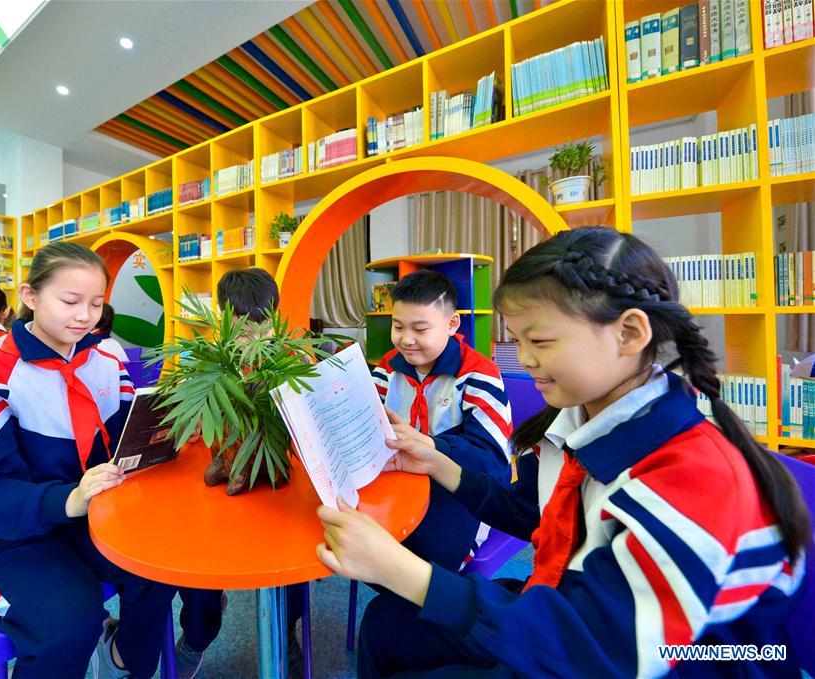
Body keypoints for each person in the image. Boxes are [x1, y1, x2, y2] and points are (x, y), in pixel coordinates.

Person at [316, 226, 811, 678]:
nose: (524, 359)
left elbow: (601, 651)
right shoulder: (576, 420)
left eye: (541, 341)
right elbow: (531, 511)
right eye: (518, 340)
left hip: (659, 659)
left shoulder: (692, 475)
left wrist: (399, 569)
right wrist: (440, 465)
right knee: (386, 624)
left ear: (630, 333)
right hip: (571, 603)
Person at [0, 242, 175, 679]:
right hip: (4, 538)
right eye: (70, 301)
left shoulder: (107, 360)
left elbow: (122, 445)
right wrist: (69, 499)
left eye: (96, 303)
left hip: (86, 517)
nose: (85, 315)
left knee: (159, 569)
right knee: (69, 626)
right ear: (30, 297)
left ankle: (124, 663)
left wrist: (165, 433)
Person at [174, 266, 281, 679]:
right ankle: (198, 634)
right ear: (220, 320)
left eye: (263, 330)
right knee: (193, 553)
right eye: (241, 331)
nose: (253, 343)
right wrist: (191, 423)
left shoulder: (294, 357)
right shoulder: (200, 359)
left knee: (292, 555)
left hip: (276, 485)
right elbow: (181, 425)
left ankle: (284, 631)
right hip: (218, 485)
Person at [371, 269, 513, 571]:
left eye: (420, 329)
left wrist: (430, 445)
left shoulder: (479, 374)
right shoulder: (387, 368)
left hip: (459, 492)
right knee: (363, 539)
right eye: (398, 327)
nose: (406, 340)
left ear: (452, 324)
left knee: (428, 559)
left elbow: (490, 461)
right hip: (401, 485)